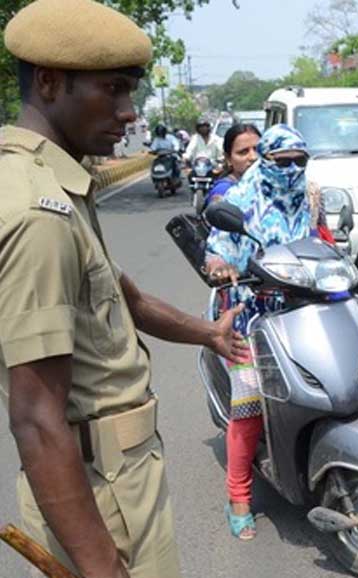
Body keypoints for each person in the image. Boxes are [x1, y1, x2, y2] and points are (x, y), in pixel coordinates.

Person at [0, 1, 248, 576]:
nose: (129, 112)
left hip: (111, 476)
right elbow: (37, 416)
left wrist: (210, 333)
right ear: (48, 80)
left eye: (131, 92)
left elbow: (123, 298)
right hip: (99, 490)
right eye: (112, 89)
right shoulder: (39, 213)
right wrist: (100, 565)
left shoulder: (55, 181)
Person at [204, 125, 324, 540]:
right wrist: (219, 265)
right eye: (282, 161)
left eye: (298, 161)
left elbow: (321, 239)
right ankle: (238, 496)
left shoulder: (310, 194)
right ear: (267, 162)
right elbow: (217, 248)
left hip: (303, 309)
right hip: (249, 316)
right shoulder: (239, 198)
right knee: (250, 405)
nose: (291, 169)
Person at [204, 123, 261, 209]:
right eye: (243, 152)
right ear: (228, 159)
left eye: (258, 150)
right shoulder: (224, 191)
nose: (253, 157)